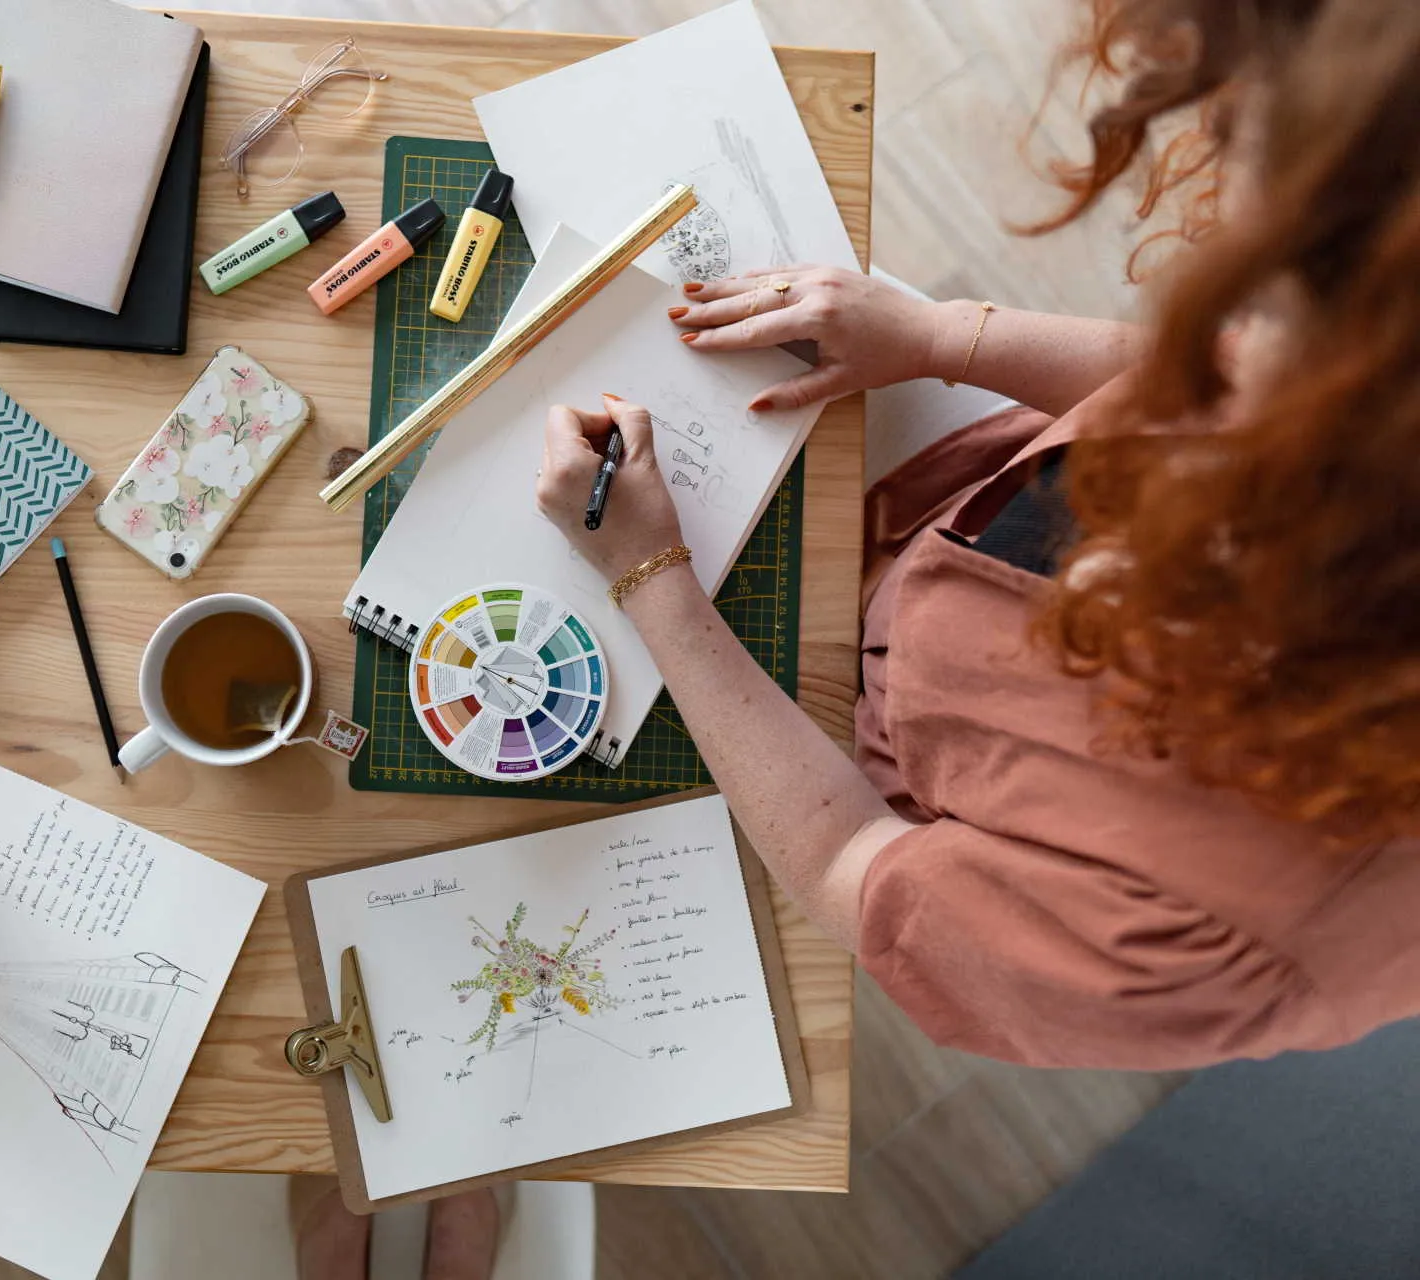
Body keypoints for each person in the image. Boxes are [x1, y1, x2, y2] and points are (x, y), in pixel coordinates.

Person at [533, 0, 1420, 1072]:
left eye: (1269, 298)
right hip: (947, 534)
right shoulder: (1357, 394)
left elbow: (851, 860)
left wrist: (651, 576)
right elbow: (1195, 380)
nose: (1220, 355)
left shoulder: (1208, 921)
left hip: (873, 771)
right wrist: (942, 334)